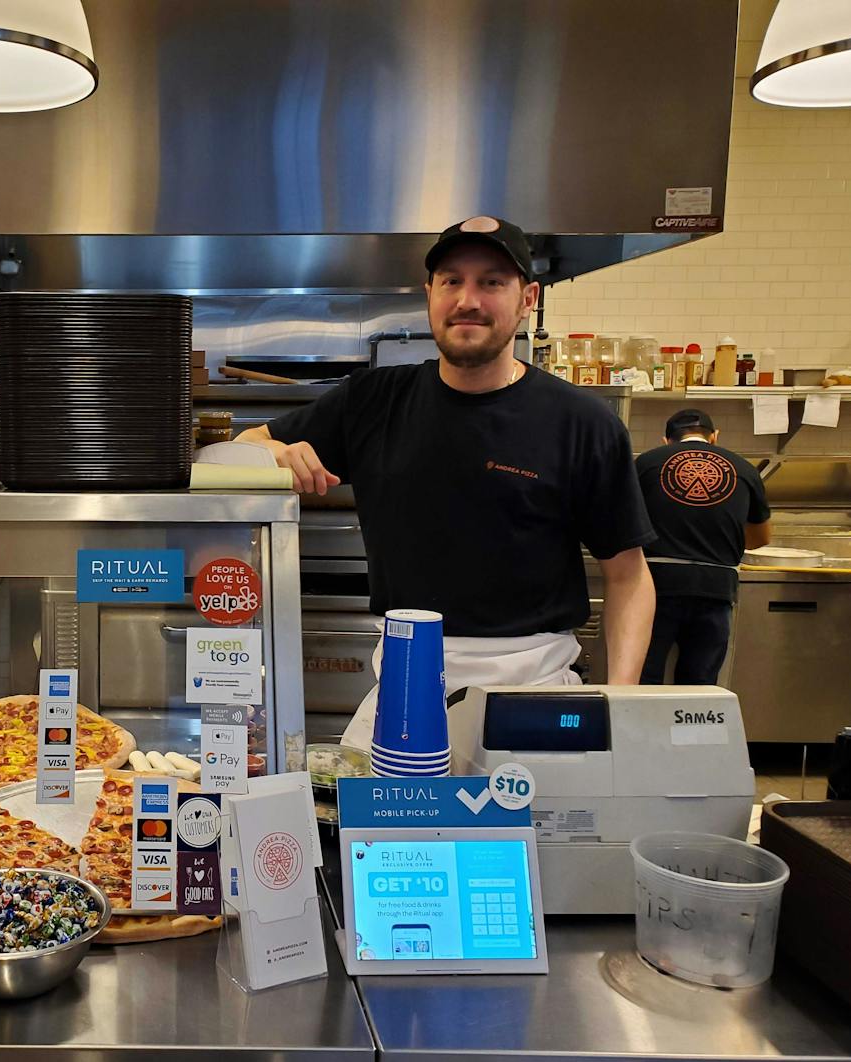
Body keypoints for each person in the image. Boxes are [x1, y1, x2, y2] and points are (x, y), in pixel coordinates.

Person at [236, 216, 657, 749]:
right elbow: (242, 447)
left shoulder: (583, 423)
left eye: (492, 282)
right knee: (365, 832)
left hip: (531, 689)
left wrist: (619, 703)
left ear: (528, 298)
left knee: (534, 834)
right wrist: (272, 449)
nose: (468, 299)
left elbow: (629, 578)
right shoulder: (372, 400)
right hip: (403, 683)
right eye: (452, 280)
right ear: (429, 293)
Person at [635, 409, 771, 686]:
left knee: (645, 678)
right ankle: (692, 730)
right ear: (715, 437)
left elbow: (625, 522)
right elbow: (761, 538)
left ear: (666, 441)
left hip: (655, 584)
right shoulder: (744, 469)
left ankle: (644, 730)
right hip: (716, 587)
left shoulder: (646, 463)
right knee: (699, 684)